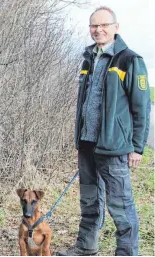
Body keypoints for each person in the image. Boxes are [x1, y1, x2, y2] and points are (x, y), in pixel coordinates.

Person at [57, 6, 151, 256]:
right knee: (89, 200)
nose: (98, 30)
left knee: (120, 205)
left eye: (103, 25)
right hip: (87, 144)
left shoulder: (130, 60)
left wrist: (137, 147)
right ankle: (86, 247)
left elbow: (141, 108)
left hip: (115, 147)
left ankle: (127, 252)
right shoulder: (88, 58)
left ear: (115, 28)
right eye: (94, 26)